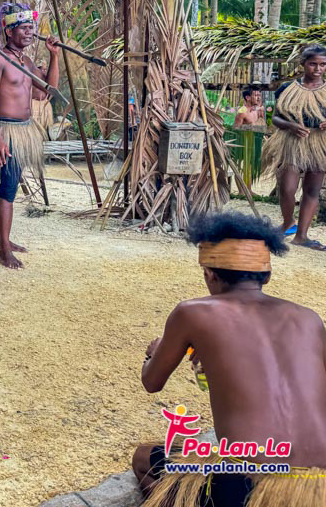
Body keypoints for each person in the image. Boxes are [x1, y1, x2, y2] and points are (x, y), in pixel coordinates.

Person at [132, 211, 326, 507]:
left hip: (249, 485)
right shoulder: (310, 319)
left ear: (209, 273)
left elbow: (152, 381)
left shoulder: (192, 312)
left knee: (144, 457)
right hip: (320, 483)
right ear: (268, 274)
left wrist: (154, 351)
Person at [0, 3, 59, 269]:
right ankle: (4, 250)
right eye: (24, 28)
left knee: (8, 184)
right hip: (6, 129)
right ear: (9, 31)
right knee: (10, 187)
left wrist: (55, 56)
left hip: (25, 130)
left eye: (31, 27)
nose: (29, 32)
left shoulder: (25, 62)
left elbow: (47, 90)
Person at [262, 45, 326, 250]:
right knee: (287, 188)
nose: (317, 68)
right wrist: (291, 126)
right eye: (313, 64)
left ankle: (302, 235)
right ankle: (288, 222)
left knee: (312, 189)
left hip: (320, 143)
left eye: (322, 65)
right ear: (303, 64)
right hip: (292, 142)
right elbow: (276, 118)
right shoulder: (287, 88)